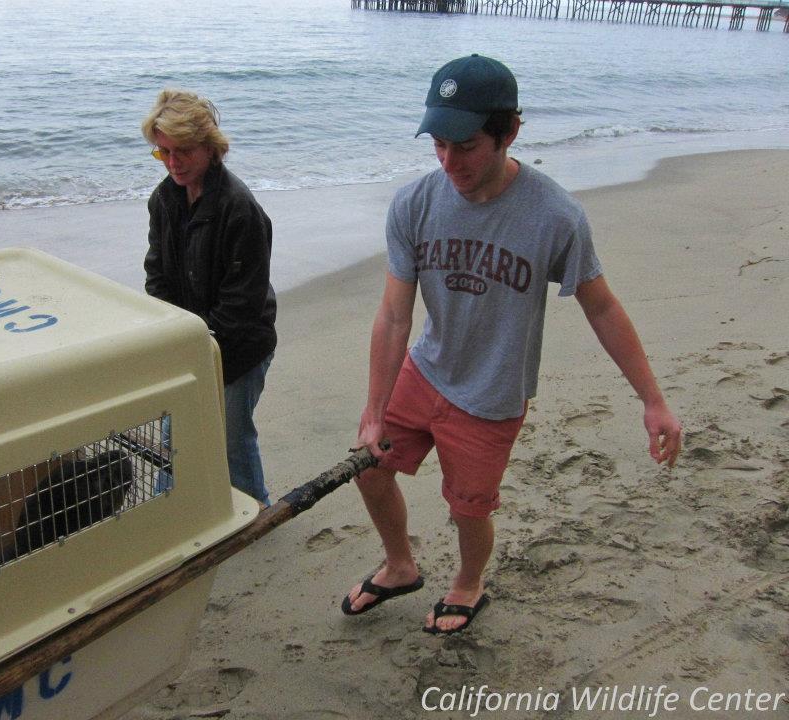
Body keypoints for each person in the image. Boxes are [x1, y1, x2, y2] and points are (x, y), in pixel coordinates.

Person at [342, 55, 682, 635]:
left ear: (510, 133)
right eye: (438, 144)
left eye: (466, 145)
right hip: (426, 371)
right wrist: (374, 412)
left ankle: (467, 584)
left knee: (468, 508)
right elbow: (395, 317)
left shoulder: (554, 216)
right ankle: (400, 565)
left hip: (493, 394)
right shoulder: (414, 205)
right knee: (368, 467)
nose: (449, 161)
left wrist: (652, 400)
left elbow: (600, 306)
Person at [141, 89, 276, 506]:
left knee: (231, 440)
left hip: (240, 347)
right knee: (174, 436)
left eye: (182, 151)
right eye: (163, 153)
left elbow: (242, 305)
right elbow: (157, 276)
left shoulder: (240, 210)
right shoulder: (163, 198)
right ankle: (172, 509)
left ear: (210, 148)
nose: (173, 163)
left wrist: (202, 347)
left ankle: (257, 512)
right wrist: (179, 340)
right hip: (191, 342)